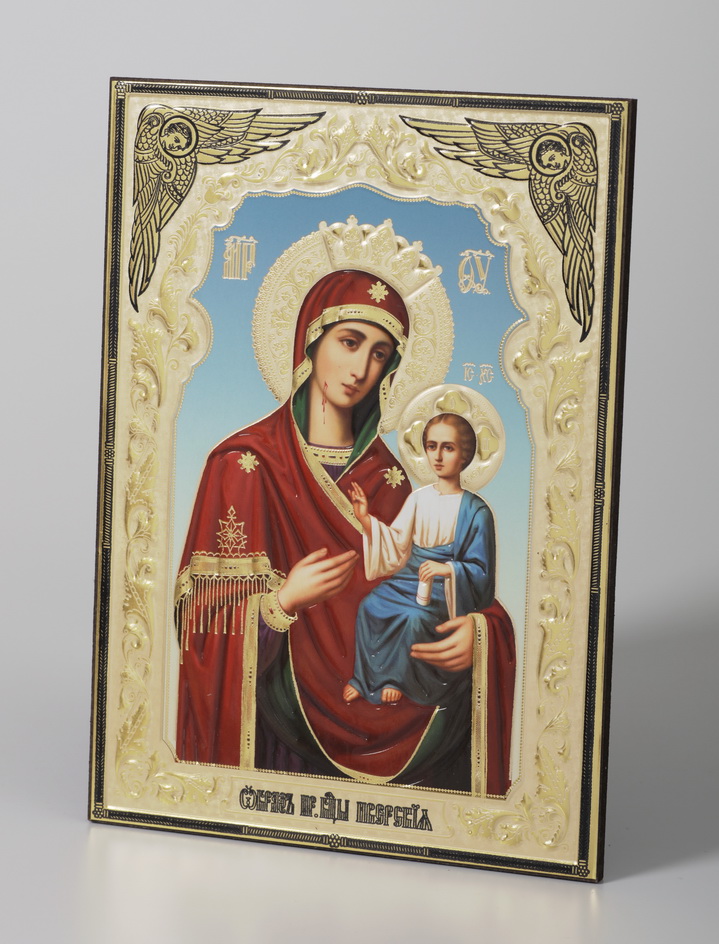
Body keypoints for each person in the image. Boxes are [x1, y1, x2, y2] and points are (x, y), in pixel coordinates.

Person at [175, 268, 514, 792]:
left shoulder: (391, 477)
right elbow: (200, 625)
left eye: (380, 354)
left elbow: (439, 582)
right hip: (283, 734)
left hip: (404, 713)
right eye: (349, 342)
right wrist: (281, 602)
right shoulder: (243, 466)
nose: (360, 369)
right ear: (311, 341)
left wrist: (480, 635)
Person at [344, 413, 495, 708]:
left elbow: (481, 572)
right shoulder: (418, 498)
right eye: (431, 446)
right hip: (409, 578)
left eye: (448, 448)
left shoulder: (477, 511)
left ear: (464, 454)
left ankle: (397, 680)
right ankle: (365, 679)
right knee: (369, 606)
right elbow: (397, 543)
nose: (437, 456)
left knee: (414, 619)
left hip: (445, 589)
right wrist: (365, 519)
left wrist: (448, 569)